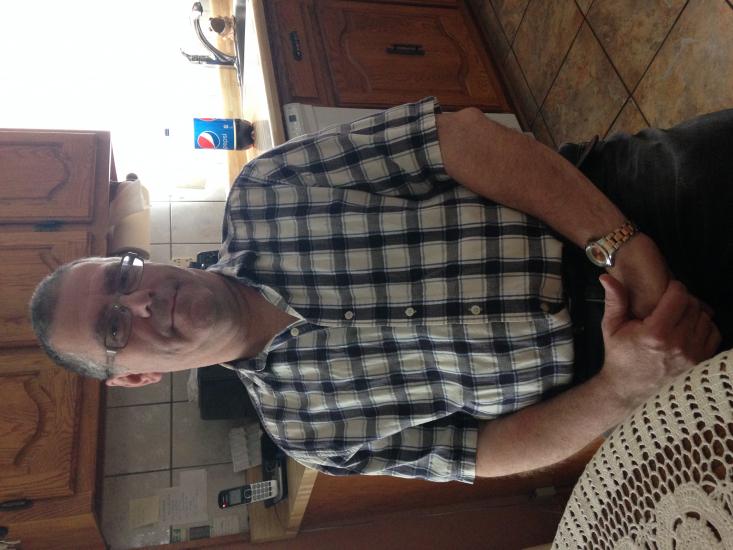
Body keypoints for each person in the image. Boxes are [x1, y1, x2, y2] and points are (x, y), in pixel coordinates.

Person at [30, 98, 730, 483]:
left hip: (628, 205)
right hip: (634, 368)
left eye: (123, 277)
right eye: (115, 328)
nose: (141, 302)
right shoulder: (307, 434)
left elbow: (458, 141)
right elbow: (482, 452)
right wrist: (621, 389)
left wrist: (623, 248)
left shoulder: (267, 188)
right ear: (136, 376)